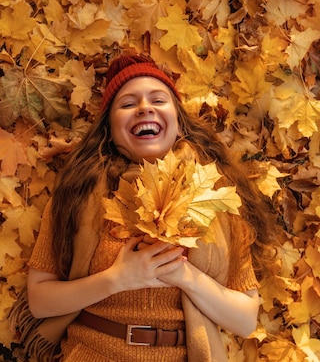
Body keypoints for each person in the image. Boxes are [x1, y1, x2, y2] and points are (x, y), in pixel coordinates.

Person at [25, 53, 276, 362]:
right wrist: (119, 278)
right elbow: (39, 300)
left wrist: (183, 274)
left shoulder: (219, 198)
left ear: (179, 123)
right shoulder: (77, 194)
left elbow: (245, 319)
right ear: (109, 129)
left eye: (158, 100)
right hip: (92, 352)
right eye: (128, 104)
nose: (145, 107)